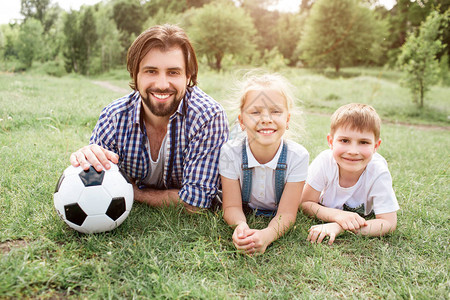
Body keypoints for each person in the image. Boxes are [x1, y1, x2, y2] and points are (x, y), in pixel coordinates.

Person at [70, 24, 229, 211]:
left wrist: (133, 193)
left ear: (188, 76)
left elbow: (195, 203)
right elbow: (95, 181)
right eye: (151, 71)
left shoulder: (208, 117)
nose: (162, 84)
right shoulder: (114, 117)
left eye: (173, 72)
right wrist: (86, 159)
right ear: (135, 75)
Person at [219, 73, 309, 254]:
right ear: (242, 121)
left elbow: (287, 214)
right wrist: (240, 227)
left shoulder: (298, 156)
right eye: (255, 112)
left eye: (276, 111)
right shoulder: (230, 153)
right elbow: (231, 206)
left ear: (287, 119)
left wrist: (267, 235)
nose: (266, 119)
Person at [301, 103, 399, 245]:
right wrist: (338, 215)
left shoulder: (378, 171)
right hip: (328, 207)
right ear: (331, 141)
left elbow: (388, 222)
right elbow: (305, 203)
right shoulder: (324, 162)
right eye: (344, 140)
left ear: (375, 146)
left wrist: (340, 226)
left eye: (363, 142)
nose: (353, 151)